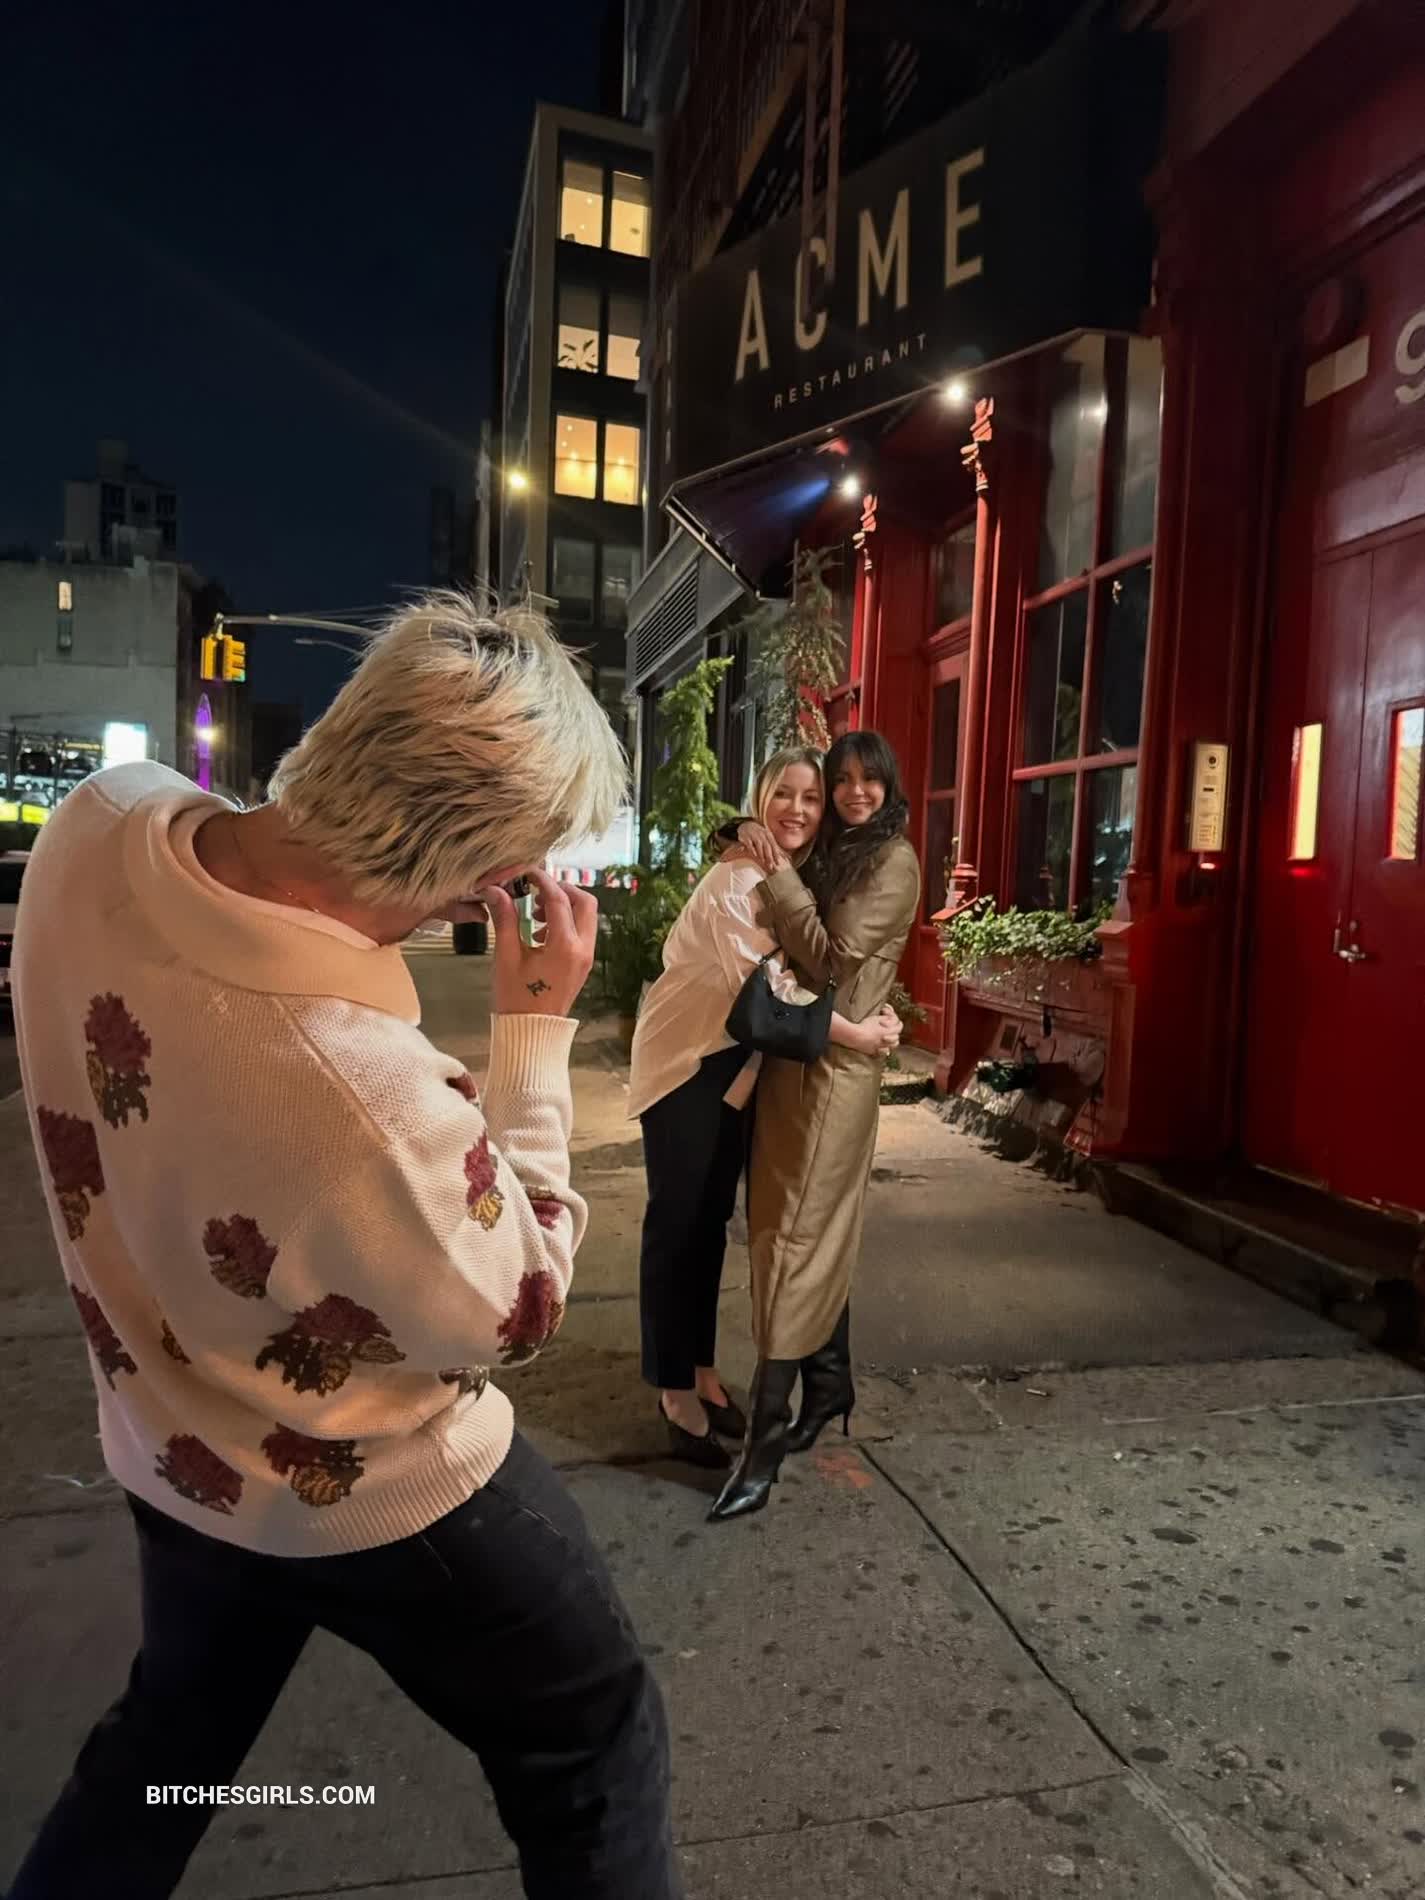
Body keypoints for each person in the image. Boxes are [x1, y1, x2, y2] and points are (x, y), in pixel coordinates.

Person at [7, 594, 682, 1900]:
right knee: (595, 1741)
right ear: (469, 871)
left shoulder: (96, 822)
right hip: (385, 1485)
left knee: (162, 1754)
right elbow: (514, 1303)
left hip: (176, 1448)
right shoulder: (355, 1083)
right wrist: (534, 1031)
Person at [628, 747, 901, 1469]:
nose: (798, 810)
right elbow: (765, 991)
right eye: (784, 794)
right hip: (686, 1065)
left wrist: (878, 1009)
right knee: (678, 1227)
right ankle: (673, 1392)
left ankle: (700, 1371)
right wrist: (859, 1034)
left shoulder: (787, 874)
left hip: (734, 1071)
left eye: (811, 798)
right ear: (761, 796)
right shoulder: (737, 879)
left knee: (709, 1225)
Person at [709, 730, 921, 1522]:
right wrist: (747, 832)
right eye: (842, 780)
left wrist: (773, 873)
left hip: (834, 1076)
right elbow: (767, 844)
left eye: (870, 779)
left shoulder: (891, 861)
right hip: (795, 1060)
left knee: (792, 1239)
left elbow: (830, 960)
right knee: (788, 1227)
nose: (853, 792)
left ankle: (762, 1447)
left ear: (889, 784)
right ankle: (828, 1384)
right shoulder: (839, 849)